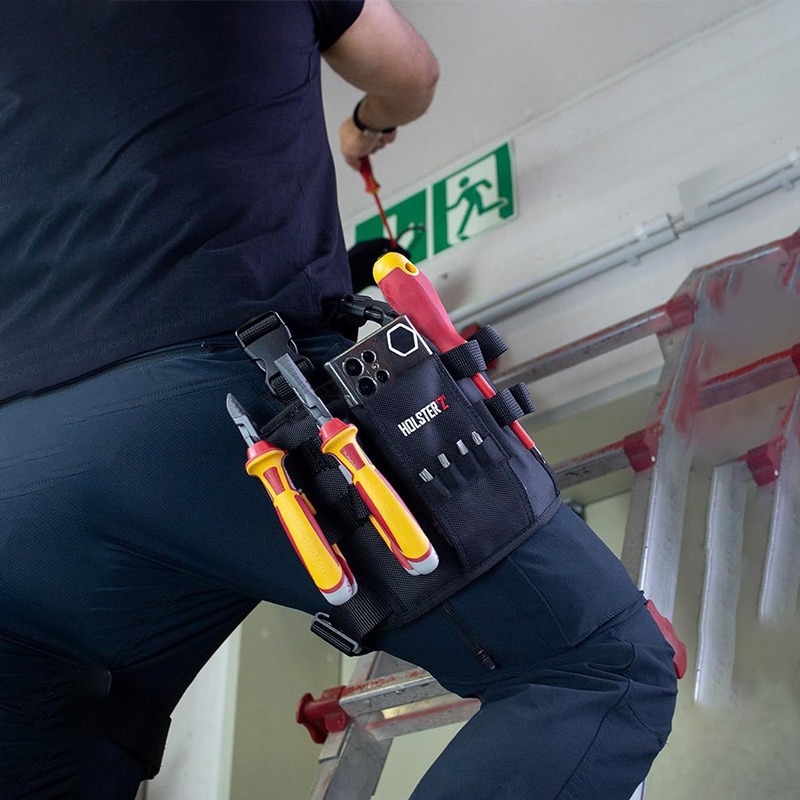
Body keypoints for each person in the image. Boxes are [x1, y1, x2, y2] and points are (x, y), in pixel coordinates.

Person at [0, 1, 677, 798]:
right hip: (237, 397)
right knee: (598, 663)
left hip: (20, 473)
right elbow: (410, 76)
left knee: (63, 754)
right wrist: (365, 125)